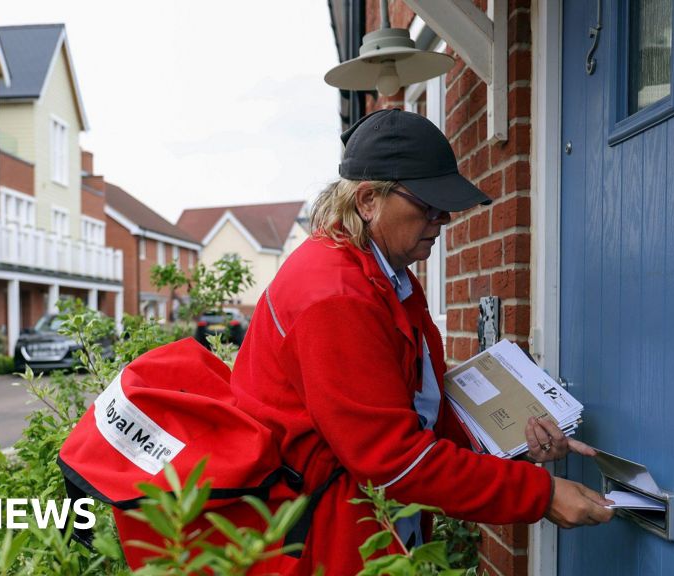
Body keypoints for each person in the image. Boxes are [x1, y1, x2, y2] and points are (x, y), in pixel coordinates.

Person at [229, 109, 612, 574]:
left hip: (362, 521)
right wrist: (541, 494)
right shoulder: (335, 296)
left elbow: (414, 403)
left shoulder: (384, 275)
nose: (443, 218)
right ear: (368, 200)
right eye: (428, 204)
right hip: (328, 540)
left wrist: (511, 438)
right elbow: (392, 460)